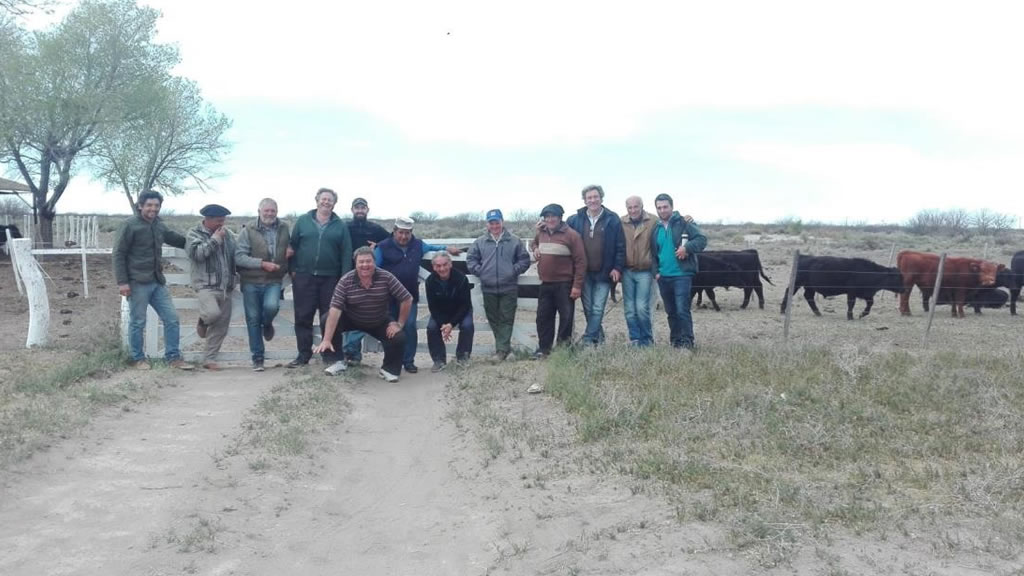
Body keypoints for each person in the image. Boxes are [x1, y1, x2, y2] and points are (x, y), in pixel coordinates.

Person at [112, 190, 193, 371]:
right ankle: (137, 358)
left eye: (156, 205)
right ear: (140, 205)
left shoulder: (158, 225)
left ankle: (173, 358)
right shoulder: (129, 225)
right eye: (149, 205)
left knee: (172, 318)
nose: (153, 209)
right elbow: (118, 254)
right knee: (138, 322)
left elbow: (176, 239)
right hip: (136, 281)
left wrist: (197, 241)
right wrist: (122, 282)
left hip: (157, 282)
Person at [369, 216, 460, 374]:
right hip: (388, 297)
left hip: (409, 296)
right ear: (395, 231)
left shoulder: (417, 245)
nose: (404, 236)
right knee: (389, 328)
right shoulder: (383, 247)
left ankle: (408, 361)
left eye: (407, 233)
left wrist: (447, 248)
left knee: (409, 327)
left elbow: (431, 247)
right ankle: (392, 361)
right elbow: (374, 268)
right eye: (401, 232)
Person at [313, 246, 411, 382]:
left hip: (379, 320)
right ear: (356, 263)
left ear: (374, 262)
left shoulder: (386, 277)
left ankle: (388, 369)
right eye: (361, 262)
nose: (365, 265)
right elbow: (335, 309)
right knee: (326, 318)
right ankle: (336, 362)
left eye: (368, 261)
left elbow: (407, 298)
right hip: (352, 318)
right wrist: (327, 339)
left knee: (399, 336)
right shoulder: (345, 280)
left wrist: (399, 323)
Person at [286, 188, 353, 372]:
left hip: (330, 278)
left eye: (330, 200)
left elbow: (346, 252)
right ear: (317, 200)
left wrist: (344, 278)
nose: (326, 202)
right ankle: (303, 355)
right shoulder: (303, 221)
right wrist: (293, 270)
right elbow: (292, 246)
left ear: (334, 203)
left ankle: (331, 355)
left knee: (331, 317)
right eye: (323, 199)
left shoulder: (340, 226)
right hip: (304, 277)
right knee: (303, 317)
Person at [466, 208, 530, 363]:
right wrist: (481, 272)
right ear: (487, 224)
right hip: (488, 287)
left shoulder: (514, 240)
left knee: (507, 318)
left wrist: (512, 271)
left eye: (497, 222)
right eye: (491, 223)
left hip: (509, 287)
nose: (494, 226)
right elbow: (471, 260)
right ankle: (506, 350)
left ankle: (500, 352)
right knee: (493, 319)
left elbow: (524, 260)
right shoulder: (480, 242)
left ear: (502, 222)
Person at [566, 185, 625, 346]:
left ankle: (588, 340)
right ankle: (599, 339)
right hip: (583, 273)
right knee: (588, 308)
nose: (592, 200)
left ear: (601, 198)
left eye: (595, 197)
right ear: (584, 200)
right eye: (589, 198)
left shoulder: (612, 219)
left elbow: (620, 246)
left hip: (604, 272)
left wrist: (617, 267)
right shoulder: (574, 219)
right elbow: (561, 234)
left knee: (598, 308)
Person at [235, 198, 289, 372]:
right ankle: (257, 358)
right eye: (266, 210)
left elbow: (294, 244)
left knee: (271, 307)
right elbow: (239, 257)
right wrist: (262, 264)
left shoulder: (284, 228)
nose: (270, 214)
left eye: (273, 210)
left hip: (274, 279)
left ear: (277, 211)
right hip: (251, 280)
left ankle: (268, 323)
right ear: (259, 211)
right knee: (252, 319)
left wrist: (292, 248)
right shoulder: (248, 230)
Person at [530, 203, 586, 367]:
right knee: (543, 318)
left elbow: (581, 262)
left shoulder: (571, 235)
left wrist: (577, 286)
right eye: (547, 217)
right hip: (545, 283)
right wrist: (534, 249)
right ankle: (544, 349)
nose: (550, 219)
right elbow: (534, 243)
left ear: (560, 217)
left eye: (553, 216)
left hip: (565, 284)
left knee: (566, 318)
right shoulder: (541, 233)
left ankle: (563, 349)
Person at [650, 193, 707, 349]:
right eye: (659, 207)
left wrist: (686, 248)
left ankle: (687, 343)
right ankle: (675, 342)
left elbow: (702, 240)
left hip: (682, 275)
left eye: (665, 207)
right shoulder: (656, 228)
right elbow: (653, 254)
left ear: (672, 207)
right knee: (671, 312)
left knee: (682, 310)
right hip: (663, 277)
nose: (662, 210)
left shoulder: (684, 223)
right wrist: (656, 272)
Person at [186, 204, 238, 371]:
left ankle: (209, 358)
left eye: (223, 220)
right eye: (217, 220)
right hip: (205, 284)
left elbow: (237, 253)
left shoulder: (228, 234)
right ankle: (203, 320)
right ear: (207, 219)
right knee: (213, 313)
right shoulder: (194, 233)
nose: (221, 223)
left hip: (226, 286)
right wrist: (215, 240)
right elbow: (197, 254)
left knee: (221, 325)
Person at [342, 197, 391, 366]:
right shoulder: (345, 227)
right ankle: (350, 353)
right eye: (357, 207)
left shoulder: (375, 228)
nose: (360, 210)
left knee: (363, 311)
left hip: (368, 276)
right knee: (345, 312)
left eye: (363, 207)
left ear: (367, 210)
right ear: (352, 210)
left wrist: (378, 245)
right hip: (347, 275)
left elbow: (391, 239)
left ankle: (351, 351)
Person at [424, 252, 474, 372]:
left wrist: (451, 324)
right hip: (441, 312)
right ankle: (439, 360)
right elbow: (433, 307)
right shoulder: (430, 281)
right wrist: (443, 324)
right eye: (438, 266)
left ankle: (462, 358)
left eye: (445, 264)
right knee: (431, 328)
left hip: (461, 310)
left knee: (467, 326)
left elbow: (465, 305)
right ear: (434, 267)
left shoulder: (461, 278)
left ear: (450, 264)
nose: (442, 268)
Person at [619, 196, 657, 347]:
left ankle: (647, 339)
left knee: (642, 307)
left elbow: (670, 219)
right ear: (626, 208)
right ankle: (634, 339)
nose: (633, 210)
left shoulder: (653, 221)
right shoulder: (621, 222)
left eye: (636, 207)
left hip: (645, 271)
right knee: (629, 308)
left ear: (642, 206)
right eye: (630, 207)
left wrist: (685, 218)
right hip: (627, 270)